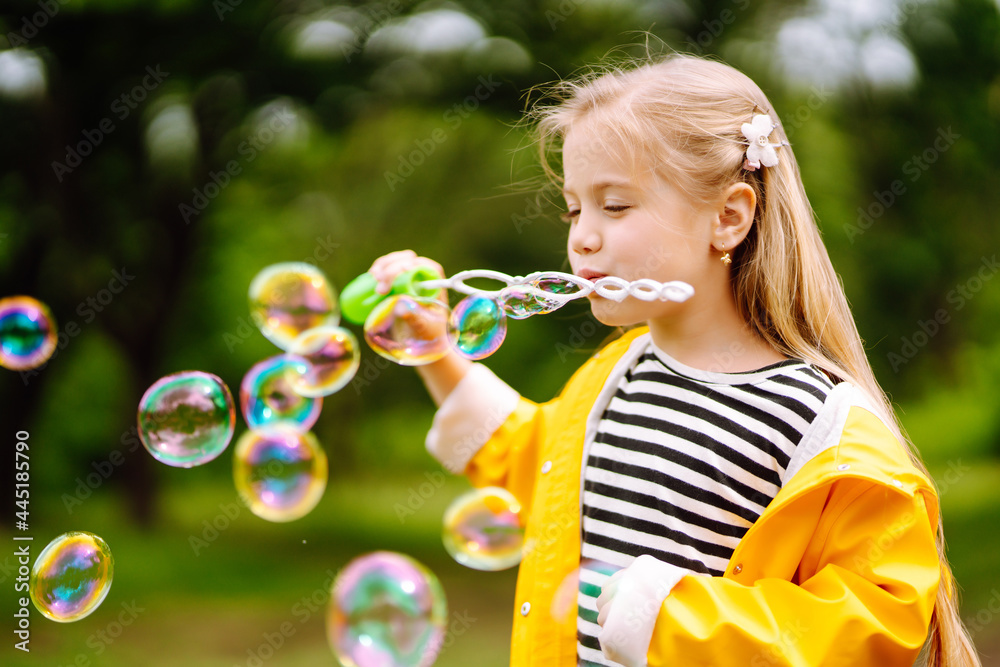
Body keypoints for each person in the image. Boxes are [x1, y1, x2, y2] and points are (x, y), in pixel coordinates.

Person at [367, 54, 980, 667]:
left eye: (615, 205)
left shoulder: (821, 428)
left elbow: (876, 624)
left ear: (728, 217)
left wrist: (668, 616)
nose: (581, 236)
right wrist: (434, 350)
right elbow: (546, 474)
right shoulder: (617, 374)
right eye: (574, 208)